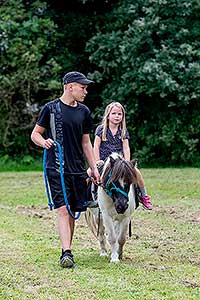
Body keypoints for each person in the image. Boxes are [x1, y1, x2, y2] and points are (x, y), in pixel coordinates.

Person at [31, 71, 100, 268]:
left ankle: (68, 248)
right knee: (62, 209)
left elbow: (86, 143)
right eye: (83, 87)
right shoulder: (50, 109)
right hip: (56, 168)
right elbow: (35, 134)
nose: (85, 91)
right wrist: (44, 142)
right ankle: (66, 253)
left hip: (78, 169)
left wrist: (94, 168)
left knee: (72, 211)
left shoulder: (84, 112)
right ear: (70, 86)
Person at [88, 101, 153, 210]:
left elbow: (126, 147)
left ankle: (143, 195)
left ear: (123, 116)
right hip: (104, 160)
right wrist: (97, 160)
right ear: (108, 115)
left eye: (119, 114)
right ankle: (85, 197)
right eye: (114, 113)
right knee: (89, 173)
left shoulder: (123, 131)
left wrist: (127, 162)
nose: (117, 116)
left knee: (137, 173)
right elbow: (96, 146)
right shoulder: (101, 129)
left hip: (119, 162)